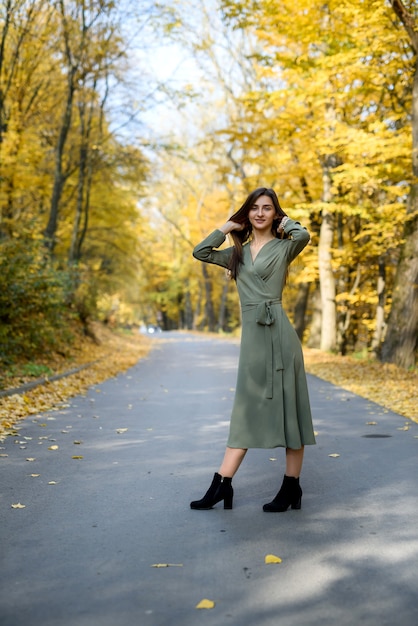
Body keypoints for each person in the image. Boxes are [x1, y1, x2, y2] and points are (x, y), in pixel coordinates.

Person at [190, 187, 316, 512]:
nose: (261, 213)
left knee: (291, 413)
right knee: (245, 409)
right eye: (255, 208)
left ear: (275, 214)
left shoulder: (285, 248)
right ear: (247, 214)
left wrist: (286, 221)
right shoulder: (238, 255)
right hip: (253, 342)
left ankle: (291, 488)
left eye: (268, 208)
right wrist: (226, 227)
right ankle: (222, 484)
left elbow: (304, 235)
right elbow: (200, 252)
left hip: (281, 337)